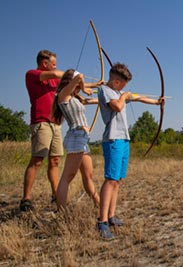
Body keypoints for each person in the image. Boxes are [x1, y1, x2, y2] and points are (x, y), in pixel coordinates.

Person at [96, 63, 164, 239]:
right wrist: (125, 96)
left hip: (124, 139)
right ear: (117, 81)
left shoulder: (120, 93)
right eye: (124, 84)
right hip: (113, 139)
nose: (126, 88)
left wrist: (157, 102)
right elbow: (117, 107)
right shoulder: (105, 91)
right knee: (110, 179)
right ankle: (102, 222)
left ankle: (111, 217)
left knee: (117, 180)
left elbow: (140, 97)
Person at [51, 69, 103, 211]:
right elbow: (80, 76)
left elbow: (95, 99)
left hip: (82, 139)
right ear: (70, 81)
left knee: (88, 176)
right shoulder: (63, 95)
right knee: (68, 176)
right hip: (76, 136)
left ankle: (99, 205)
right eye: (79, 84)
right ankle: (62, 212)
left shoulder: (75, 98)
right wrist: (85, 87)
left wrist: (102, 89)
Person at [21, 50, 64, 211]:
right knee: (37, 160)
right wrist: (73, 75)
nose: (55, 66)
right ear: (44, 64)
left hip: (56, 123)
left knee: (55, 161)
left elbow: (69, 87)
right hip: (41, 123)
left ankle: (55, 195)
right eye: (53, 63)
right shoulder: (32, 74)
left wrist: (95, 85)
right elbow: (57, 74)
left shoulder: (54, 82)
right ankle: (26, 199)